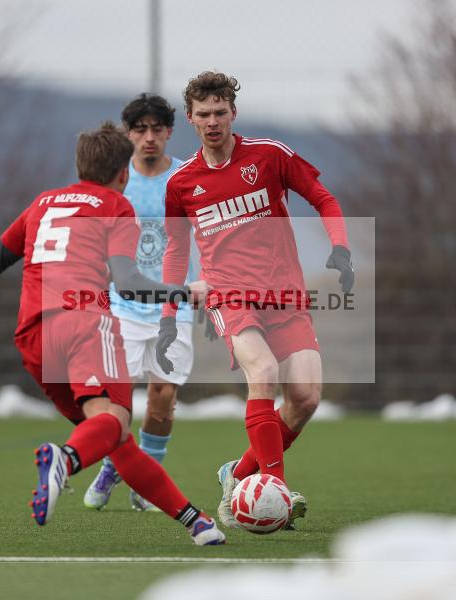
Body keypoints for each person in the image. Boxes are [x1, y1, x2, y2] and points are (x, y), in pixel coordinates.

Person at [0, 122, 225, 546]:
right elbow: (128, 283)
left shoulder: (43, 203)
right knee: (114, 423)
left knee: (112, 436)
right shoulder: (116, 206)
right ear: (124, 173)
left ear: (79, 167)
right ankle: (65, 459)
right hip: (84, 325)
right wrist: (185, 293)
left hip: (34, 337)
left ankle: (195, 522)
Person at [157, 72, 354, 530]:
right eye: (203, 114)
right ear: (190, 118)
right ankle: (275, 490)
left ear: (233, 113)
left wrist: (340, 247)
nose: (212, 122)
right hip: (227, 295)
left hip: (285, 294)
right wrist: (169, 313)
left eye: (219, 112)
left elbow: (323, 199)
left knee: (305, 398)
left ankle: (239, 474)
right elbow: (176, 251)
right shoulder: (182, 183)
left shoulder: (269, 156)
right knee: (263, 372)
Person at [83, 94, 204, 513]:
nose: (149, 137)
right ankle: (111, 468)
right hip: (124, 305)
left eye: (157, 129)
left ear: (169, 131)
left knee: (163, 397)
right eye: (140, 129)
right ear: (128, 134)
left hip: (174, 304)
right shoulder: (117, 180)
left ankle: (146, 480)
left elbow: (210, 231)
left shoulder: (187, 177)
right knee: (117, 400)